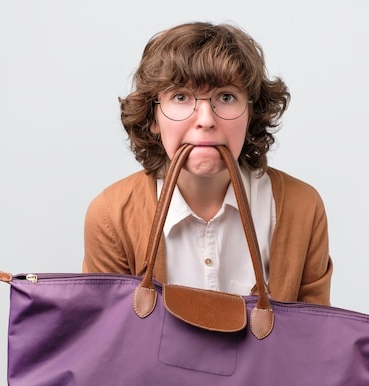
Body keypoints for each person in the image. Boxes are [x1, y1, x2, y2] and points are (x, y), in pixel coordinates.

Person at [83, 21, 332, 305]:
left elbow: (314, 340)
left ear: (251, 114)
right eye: (181, 97)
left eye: (226, 97)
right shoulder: (111, 216)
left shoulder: (302, 207)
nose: (206, 120)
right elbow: (107, 340)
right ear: (153, 117)